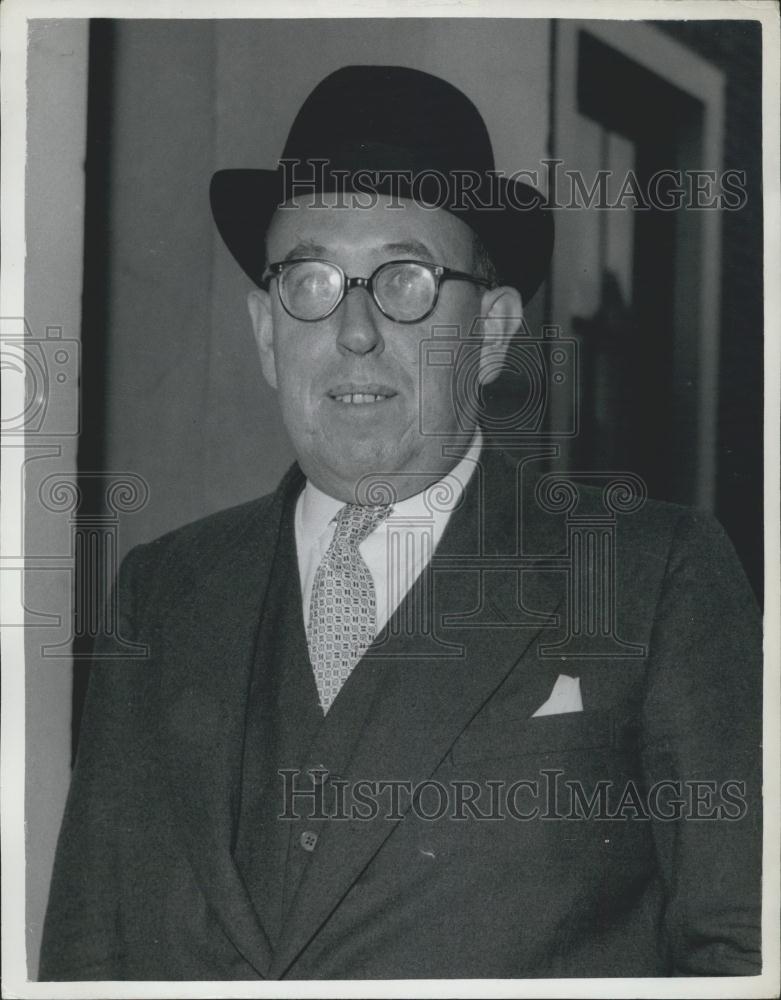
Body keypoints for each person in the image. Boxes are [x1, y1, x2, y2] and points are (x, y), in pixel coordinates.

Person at [39, 65, 762, 981]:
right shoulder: (163, 591)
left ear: (492, 332)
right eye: (311, 281)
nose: (352, 332)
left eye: (406, 280)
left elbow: (743, 955)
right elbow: (84, 956)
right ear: (266, 332)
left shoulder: (652, 578)